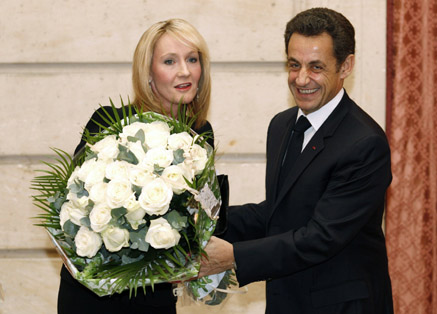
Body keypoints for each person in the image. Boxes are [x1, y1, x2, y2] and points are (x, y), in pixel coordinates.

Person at [199, 8, 394, 314]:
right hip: (287, 299)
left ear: (346, 66)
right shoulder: (281, 125)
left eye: (316, 67)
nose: (302, 79)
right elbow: (280, 212)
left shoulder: (365, 143)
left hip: (341, 306)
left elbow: (321, 236)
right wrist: (202, 221)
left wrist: (234, 255)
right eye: (294, 65)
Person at [58, 18, 214, 314]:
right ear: (148, 73)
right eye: (170, 61)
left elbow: (199, 212)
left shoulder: (201, 133)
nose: (185, 71)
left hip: (154, 293)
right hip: (93, 295)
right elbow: (72, 206)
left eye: (192, 59)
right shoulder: (108, 122)